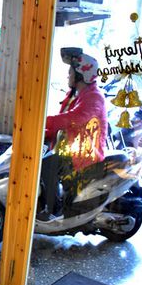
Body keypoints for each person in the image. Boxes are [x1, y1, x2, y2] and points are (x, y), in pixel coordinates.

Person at [39, 48, 108, 220]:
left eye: (70, 72)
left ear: (81, 75)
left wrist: (41, 121)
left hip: (85, 151)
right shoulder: (76, 94)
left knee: (47, 165)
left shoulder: (94, 97)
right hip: (70, 146)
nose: (68, 75)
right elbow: (61, 123)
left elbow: (74, 119)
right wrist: (42, 132)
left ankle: (53, 210)